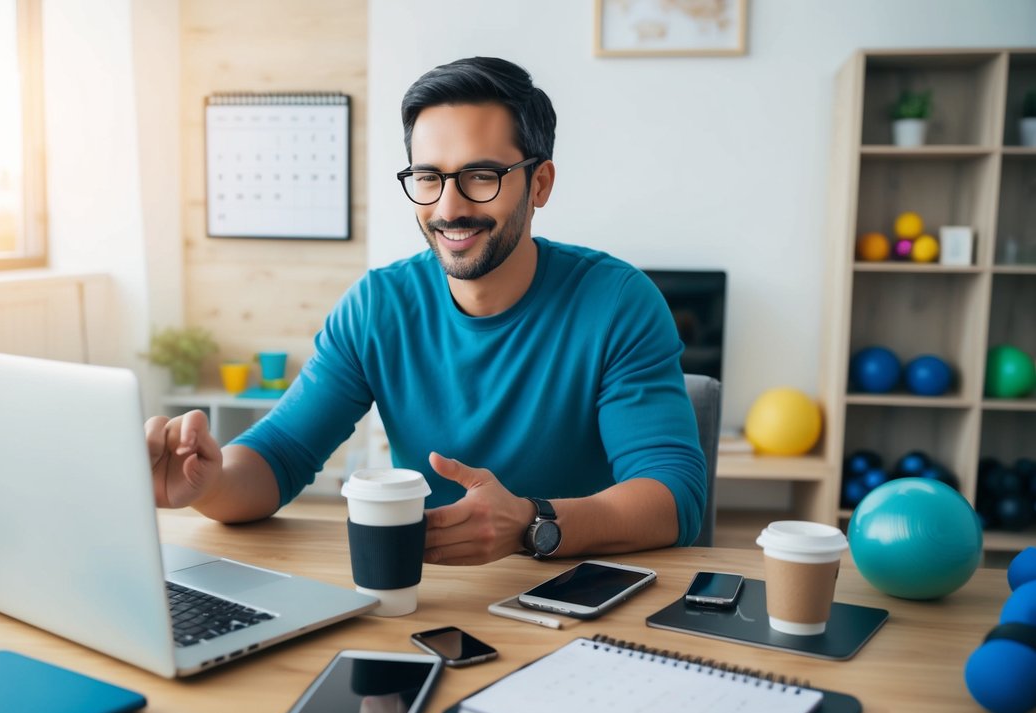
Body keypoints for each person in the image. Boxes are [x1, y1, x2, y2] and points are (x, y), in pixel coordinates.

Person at [146, 56, 706, 566]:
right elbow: (281, 453)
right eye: (428, 177)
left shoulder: (618, 303)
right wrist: (207, 484)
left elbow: (674, 495)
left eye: (482, 175)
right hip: (429, 595)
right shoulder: (377, 306)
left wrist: (531, 523)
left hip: (582, 592)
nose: (448, 207)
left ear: (540, 183)